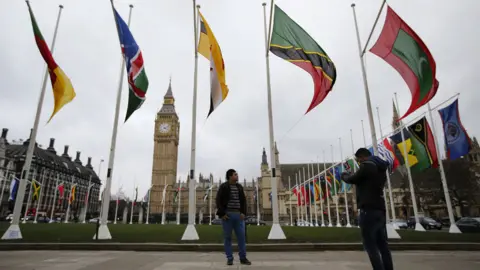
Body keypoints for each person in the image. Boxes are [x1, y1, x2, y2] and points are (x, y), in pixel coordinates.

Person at [341, 148, 394, 270]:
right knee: (383, 246)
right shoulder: (381, 168)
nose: (359, 163)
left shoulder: (366, 166)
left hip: (368, 209)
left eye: (358, 160)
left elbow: (352, 179)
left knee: (371, 246)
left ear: (362, 157)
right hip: (380, 208)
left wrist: (344, 175)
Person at [215, 169, 252, 266]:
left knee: (242, 238)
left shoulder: (239, 187)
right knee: (228, 238)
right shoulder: (223, 186)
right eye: (235, 174)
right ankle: (229, 258)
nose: (237, 176)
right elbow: (218, 200)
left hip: (238, 215)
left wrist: (243, 213)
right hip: (228, 215)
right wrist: (222, 214)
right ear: (230, 176)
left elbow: (243, 201)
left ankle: (243, 258)